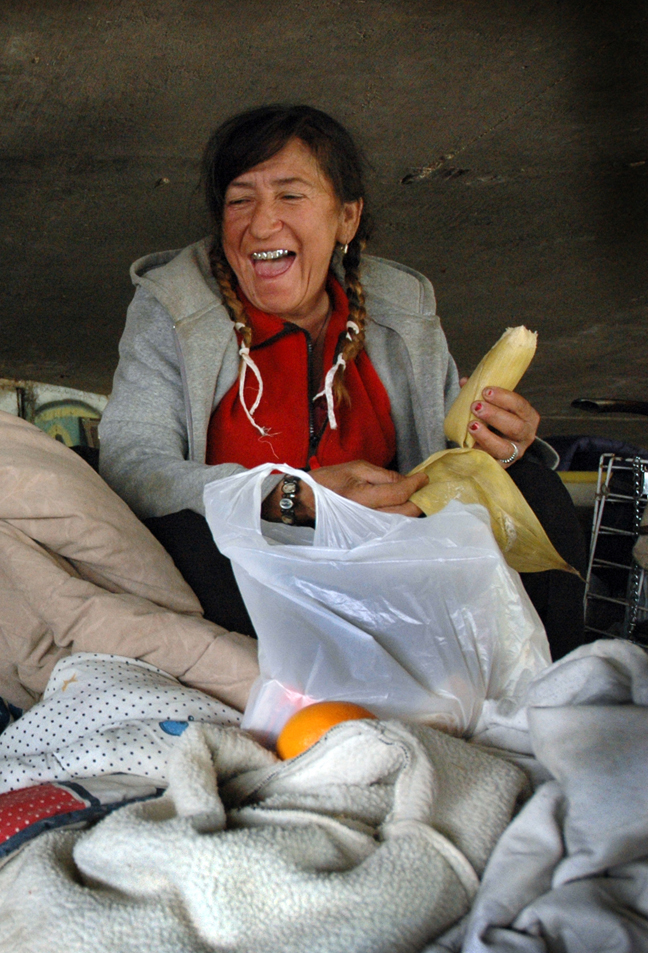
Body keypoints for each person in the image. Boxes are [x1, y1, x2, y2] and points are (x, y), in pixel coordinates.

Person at [97, 103, 586, 654]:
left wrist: (503, 445)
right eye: (240, 200)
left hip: (394, 568)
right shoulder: (173, 304)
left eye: (290, 195)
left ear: (346, 218)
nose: (261, 224)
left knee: (535, 489)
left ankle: (550, 699)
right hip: (258, 580)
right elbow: (131, 467)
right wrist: (288, 498)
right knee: (183, 534)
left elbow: (454, 455)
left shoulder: (403, 307)